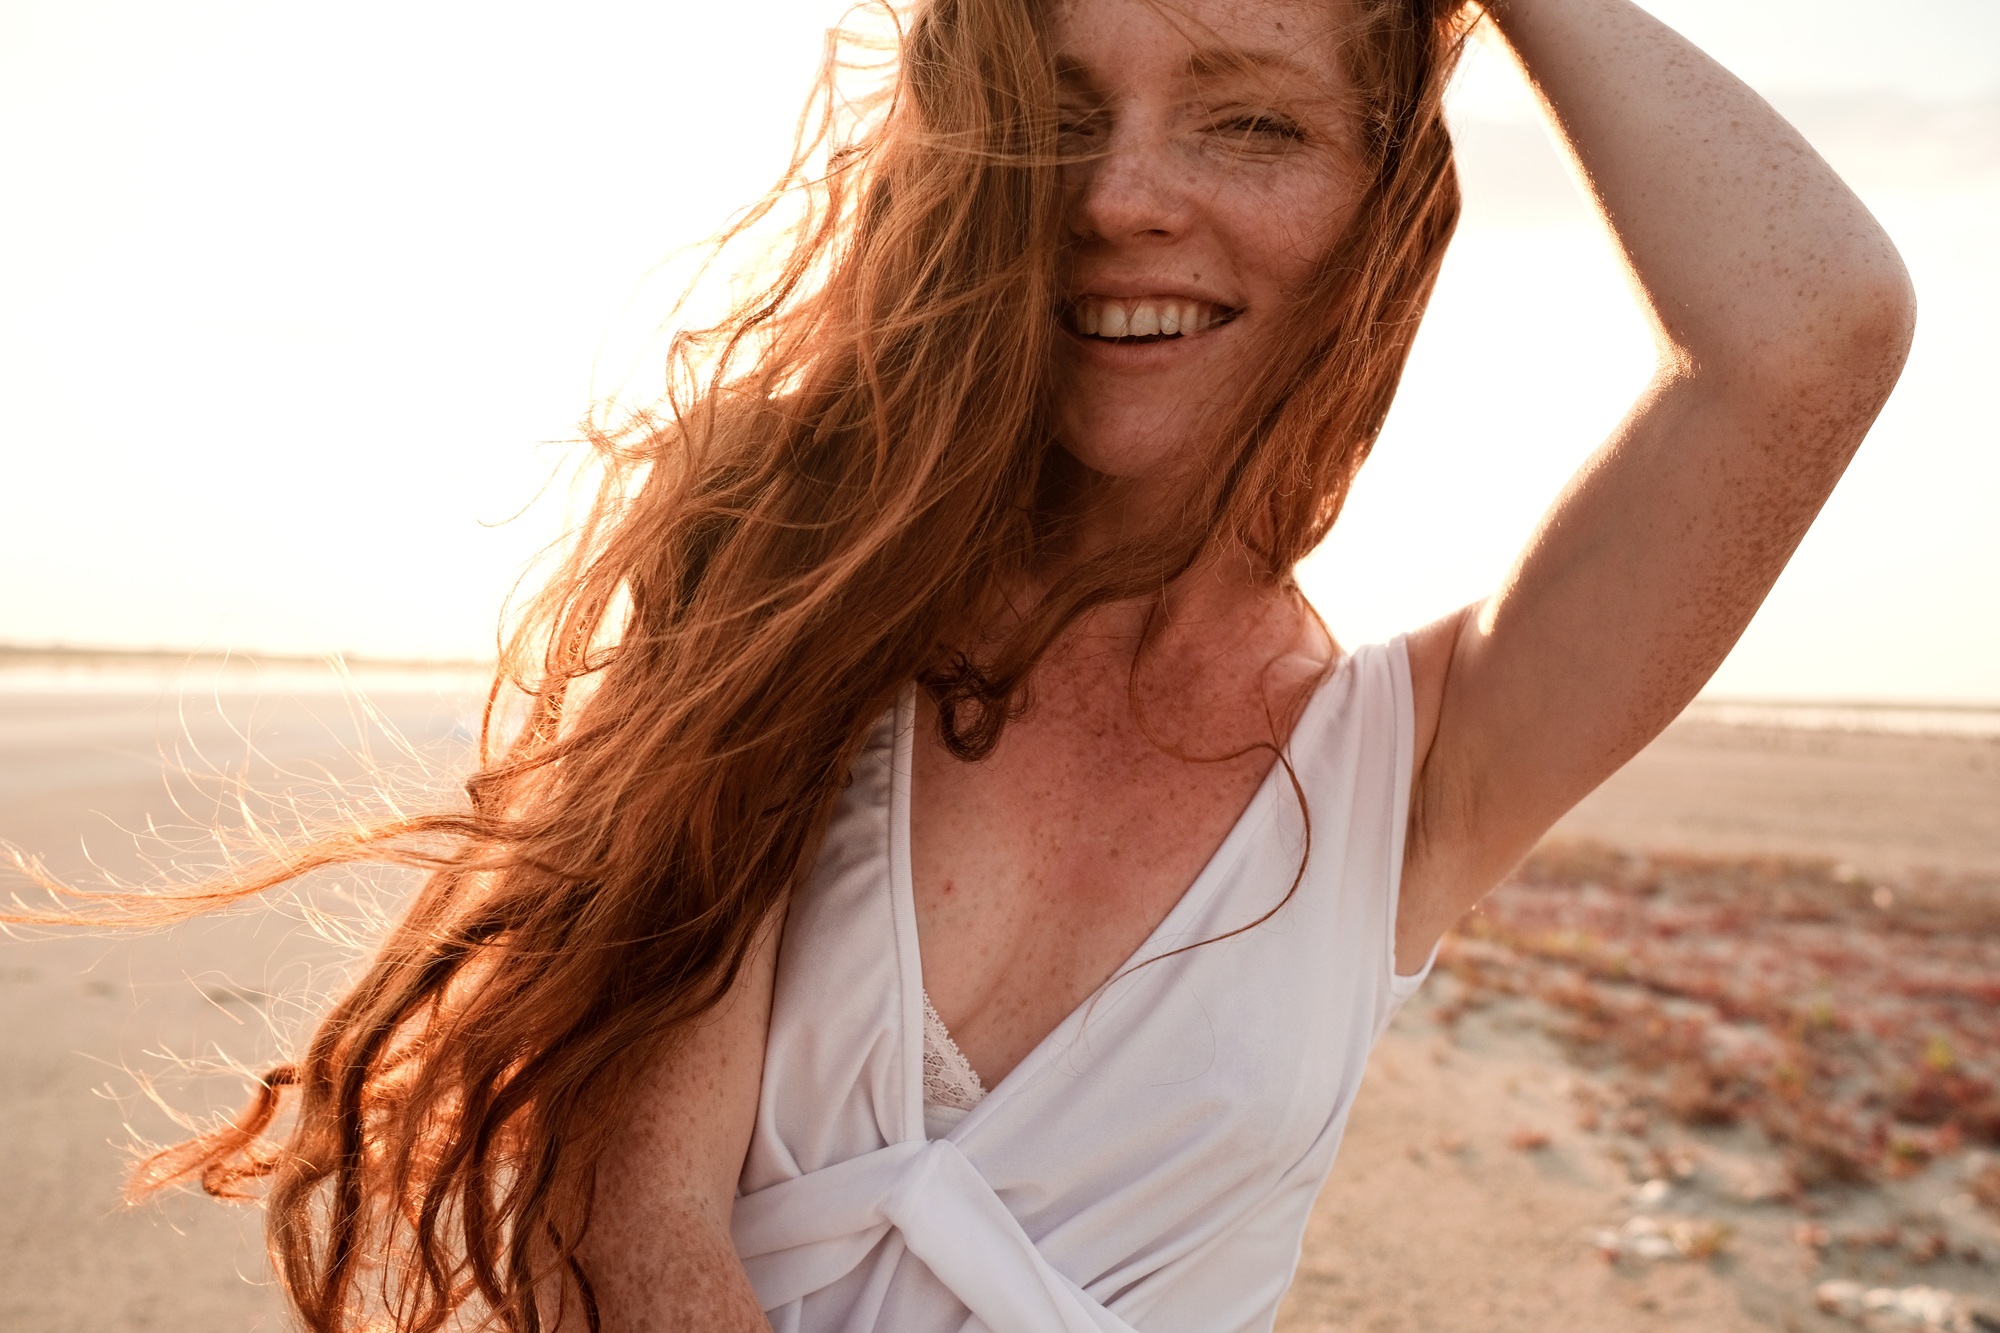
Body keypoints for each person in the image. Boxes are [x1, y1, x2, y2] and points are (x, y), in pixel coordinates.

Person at [39, 0, 1910, 1328]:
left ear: (1381, 207)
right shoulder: (785, 575)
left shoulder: (1419, 769)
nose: (1119, 194)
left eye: (1248, 117)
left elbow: (1813, 335)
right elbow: (634, 1225)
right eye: (1062, 105)